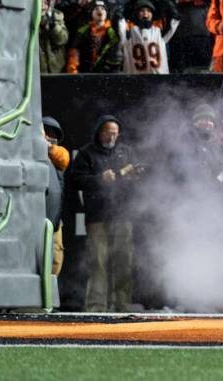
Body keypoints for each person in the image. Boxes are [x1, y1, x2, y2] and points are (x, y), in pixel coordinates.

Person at [69, 115, 139, 312]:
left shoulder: (126, 152)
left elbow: (136, 176)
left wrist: (135, 177)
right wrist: (99, 179)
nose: (112, 136)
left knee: (124, 262)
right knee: (97, 263)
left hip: (123, 215)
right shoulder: (86, 153)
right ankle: (96, 306)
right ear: (99, 132)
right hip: (97, 216)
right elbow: (75, 180)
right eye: (108, 132)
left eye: (115, 133)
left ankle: (122, 305)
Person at [117, 0, 179, 74]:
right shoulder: (129, 33)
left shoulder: (159, 32)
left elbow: (175, 21)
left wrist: (169, 4)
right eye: (142, 11)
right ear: (137, 14)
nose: (145, 13)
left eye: (149, 11)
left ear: (152, 15)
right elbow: (119, 22)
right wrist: (120, 10)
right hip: (135, 79)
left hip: (158, 78)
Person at [43, 117, 70, 276]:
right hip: (36, 214)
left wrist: (47, 146)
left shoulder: (59, 153)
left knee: (56, 257)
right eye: (45, 131)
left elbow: (63, 158)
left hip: (54, 218)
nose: (48, 136)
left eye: (52, 133)